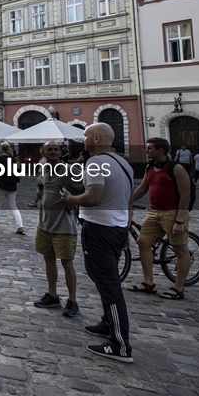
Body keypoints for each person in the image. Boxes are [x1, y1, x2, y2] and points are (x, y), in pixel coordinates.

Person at [60, 123, 134, 363]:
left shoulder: (95, 163)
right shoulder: (122, 163)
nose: (83, 139)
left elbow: (94, 197)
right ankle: (107, 322)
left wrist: (71, 199)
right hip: (117, 227)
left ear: (97, 137)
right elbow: (129, 200)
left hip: (99, 229)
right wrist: (125, 228)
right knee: (104, 279)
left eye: (85, 135)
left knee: (107, 283)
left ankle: (119, 343)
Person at [129, 138, 192, 300]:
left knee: (180, 250)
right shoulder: (150, 166)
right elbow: (143, 187)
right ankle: (148, 282)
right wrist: (127, 201)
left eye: (150, 148)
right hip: (154, 211)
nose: (146, 151)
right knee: (143, 242)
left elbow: (185, 195)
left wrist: (179, 220)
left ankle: (178, 288)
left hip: (173, 212)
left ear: (161, 150)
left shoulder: (176, 168)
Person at [32, 142, 82, 317]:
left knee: (67, 262)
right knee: (48, 259)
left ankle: (72, 301)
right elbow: (40, 184)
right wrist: (39, 191)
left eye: (56, 150)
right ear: (42, 152)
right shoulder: (43, 169)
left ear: (62, 152)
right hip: (45, 223)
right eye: (49, 150)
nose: (53, 152)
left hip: (64, 224)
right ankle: (52, 295)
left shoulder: (70, 170)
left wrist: (71, 201)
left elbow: (84, 190)